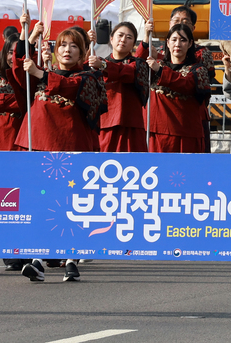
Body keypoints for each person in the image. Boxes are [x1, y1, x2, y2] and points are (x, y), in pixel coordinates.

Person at [15, 25, 106, 282]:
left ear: (83, 52)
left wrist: (41, 74)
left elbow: (72, 87)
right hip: (40, 147)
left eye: (74, 46)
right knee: (42, 203)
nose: (67, 50)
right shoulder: (45, 72)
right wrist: (28, 38)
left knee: (71, 204)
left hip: (72, 148)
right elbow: (16, 71)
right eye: (63, 45)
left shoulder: (90, 76)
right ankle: (39, 259)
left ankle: (71, 257)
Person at [145, 23, 211, 153]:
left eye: (183, 40)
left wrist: (160, 71)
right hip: (157, 132)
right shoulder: (155, 66)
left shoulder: (198, 69)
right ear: (168, 42)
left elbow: (186, 84)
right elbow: (137, 66)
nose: (178, 44)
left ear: (190, 43)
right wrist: (146, 37)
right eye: (174, 39)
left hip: (186, 134)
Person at [96, 20, 151, 152]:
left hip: (130, 125)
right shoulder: (97, 63)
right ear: (111, 38)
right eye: (120, 35)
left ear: (133, 44)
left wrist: (104, 66)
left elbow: (127, 72)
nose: (123, 40)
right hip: (104, 124)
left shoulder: (139, 65)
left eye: (129, 37)